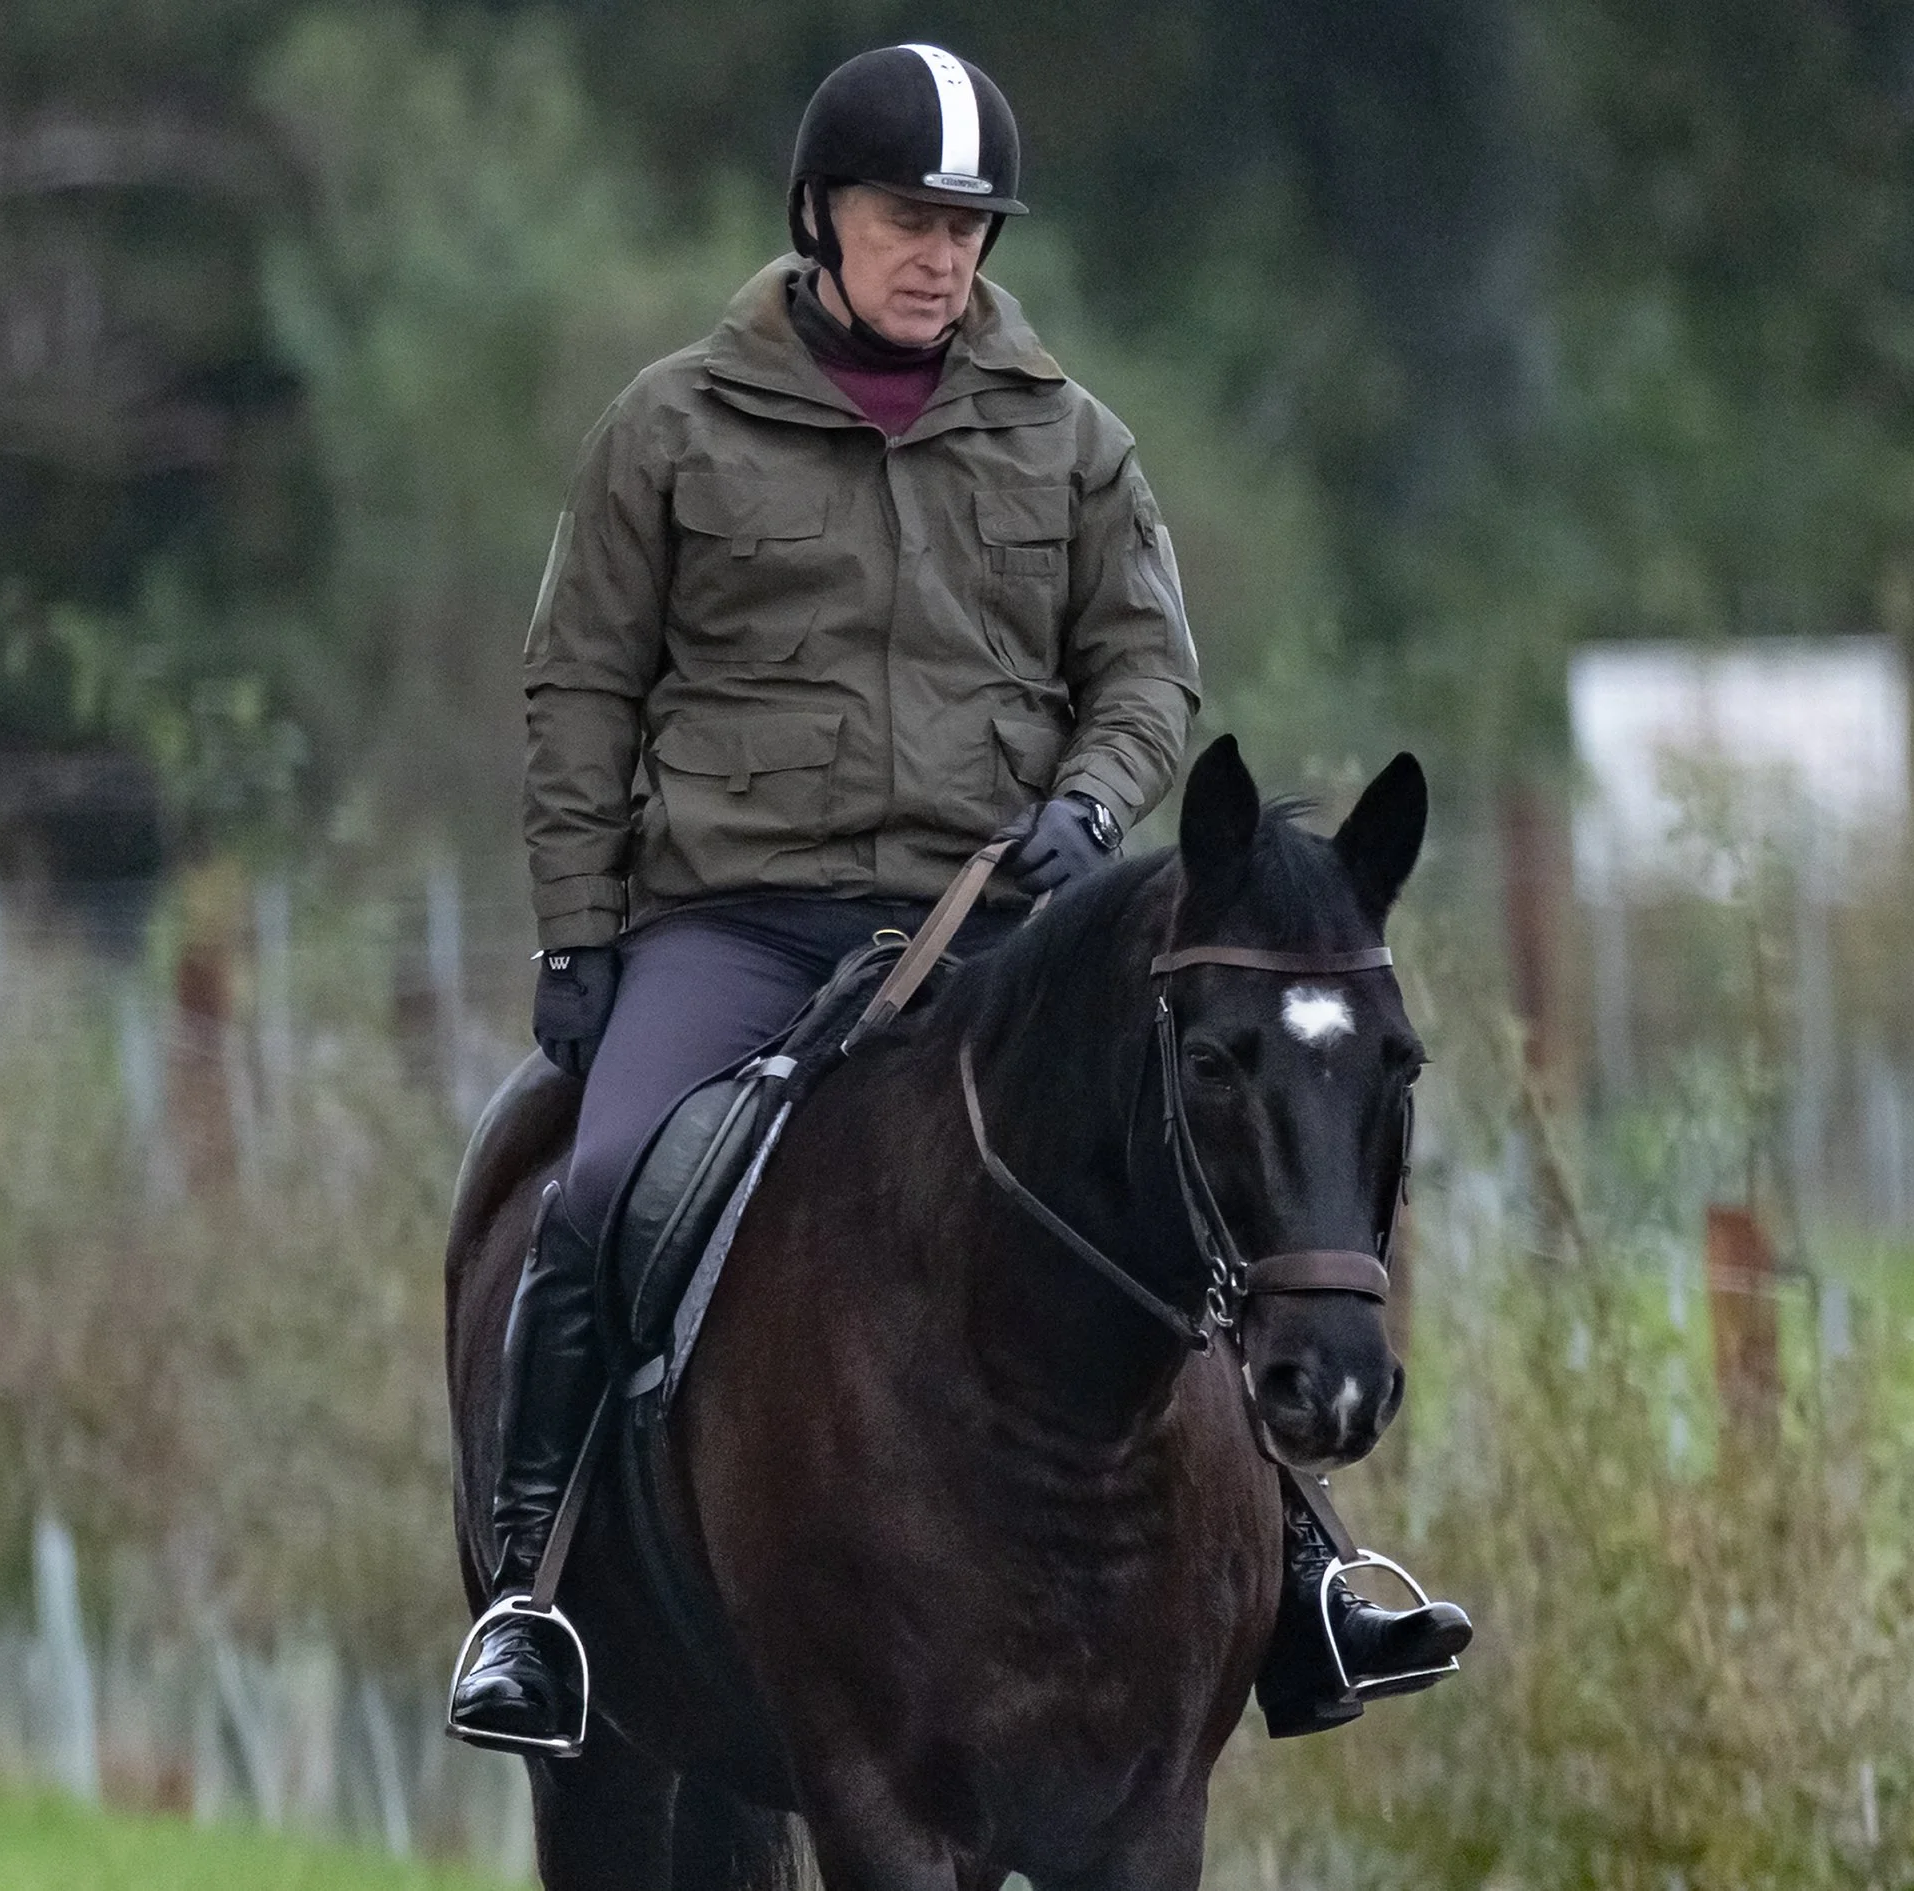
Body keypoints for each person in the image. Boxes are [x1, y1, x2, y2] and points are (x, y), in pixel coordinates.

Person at [449, 42, 1468, 1751]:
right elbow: (577, 697)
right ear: (820, 217)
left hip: (996, 923)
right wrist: (581, 927)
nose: (943, 254)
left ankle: (1302, 1574)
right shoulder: (673, 430)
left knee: (1188, 1178)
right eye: (908, 217)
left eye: (970, 225)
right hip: (739, 920)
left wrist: (1088, 802)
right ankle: (532, 1597)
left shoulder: (1068, 442)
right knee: (605, 1177)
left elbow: (1147, 667)